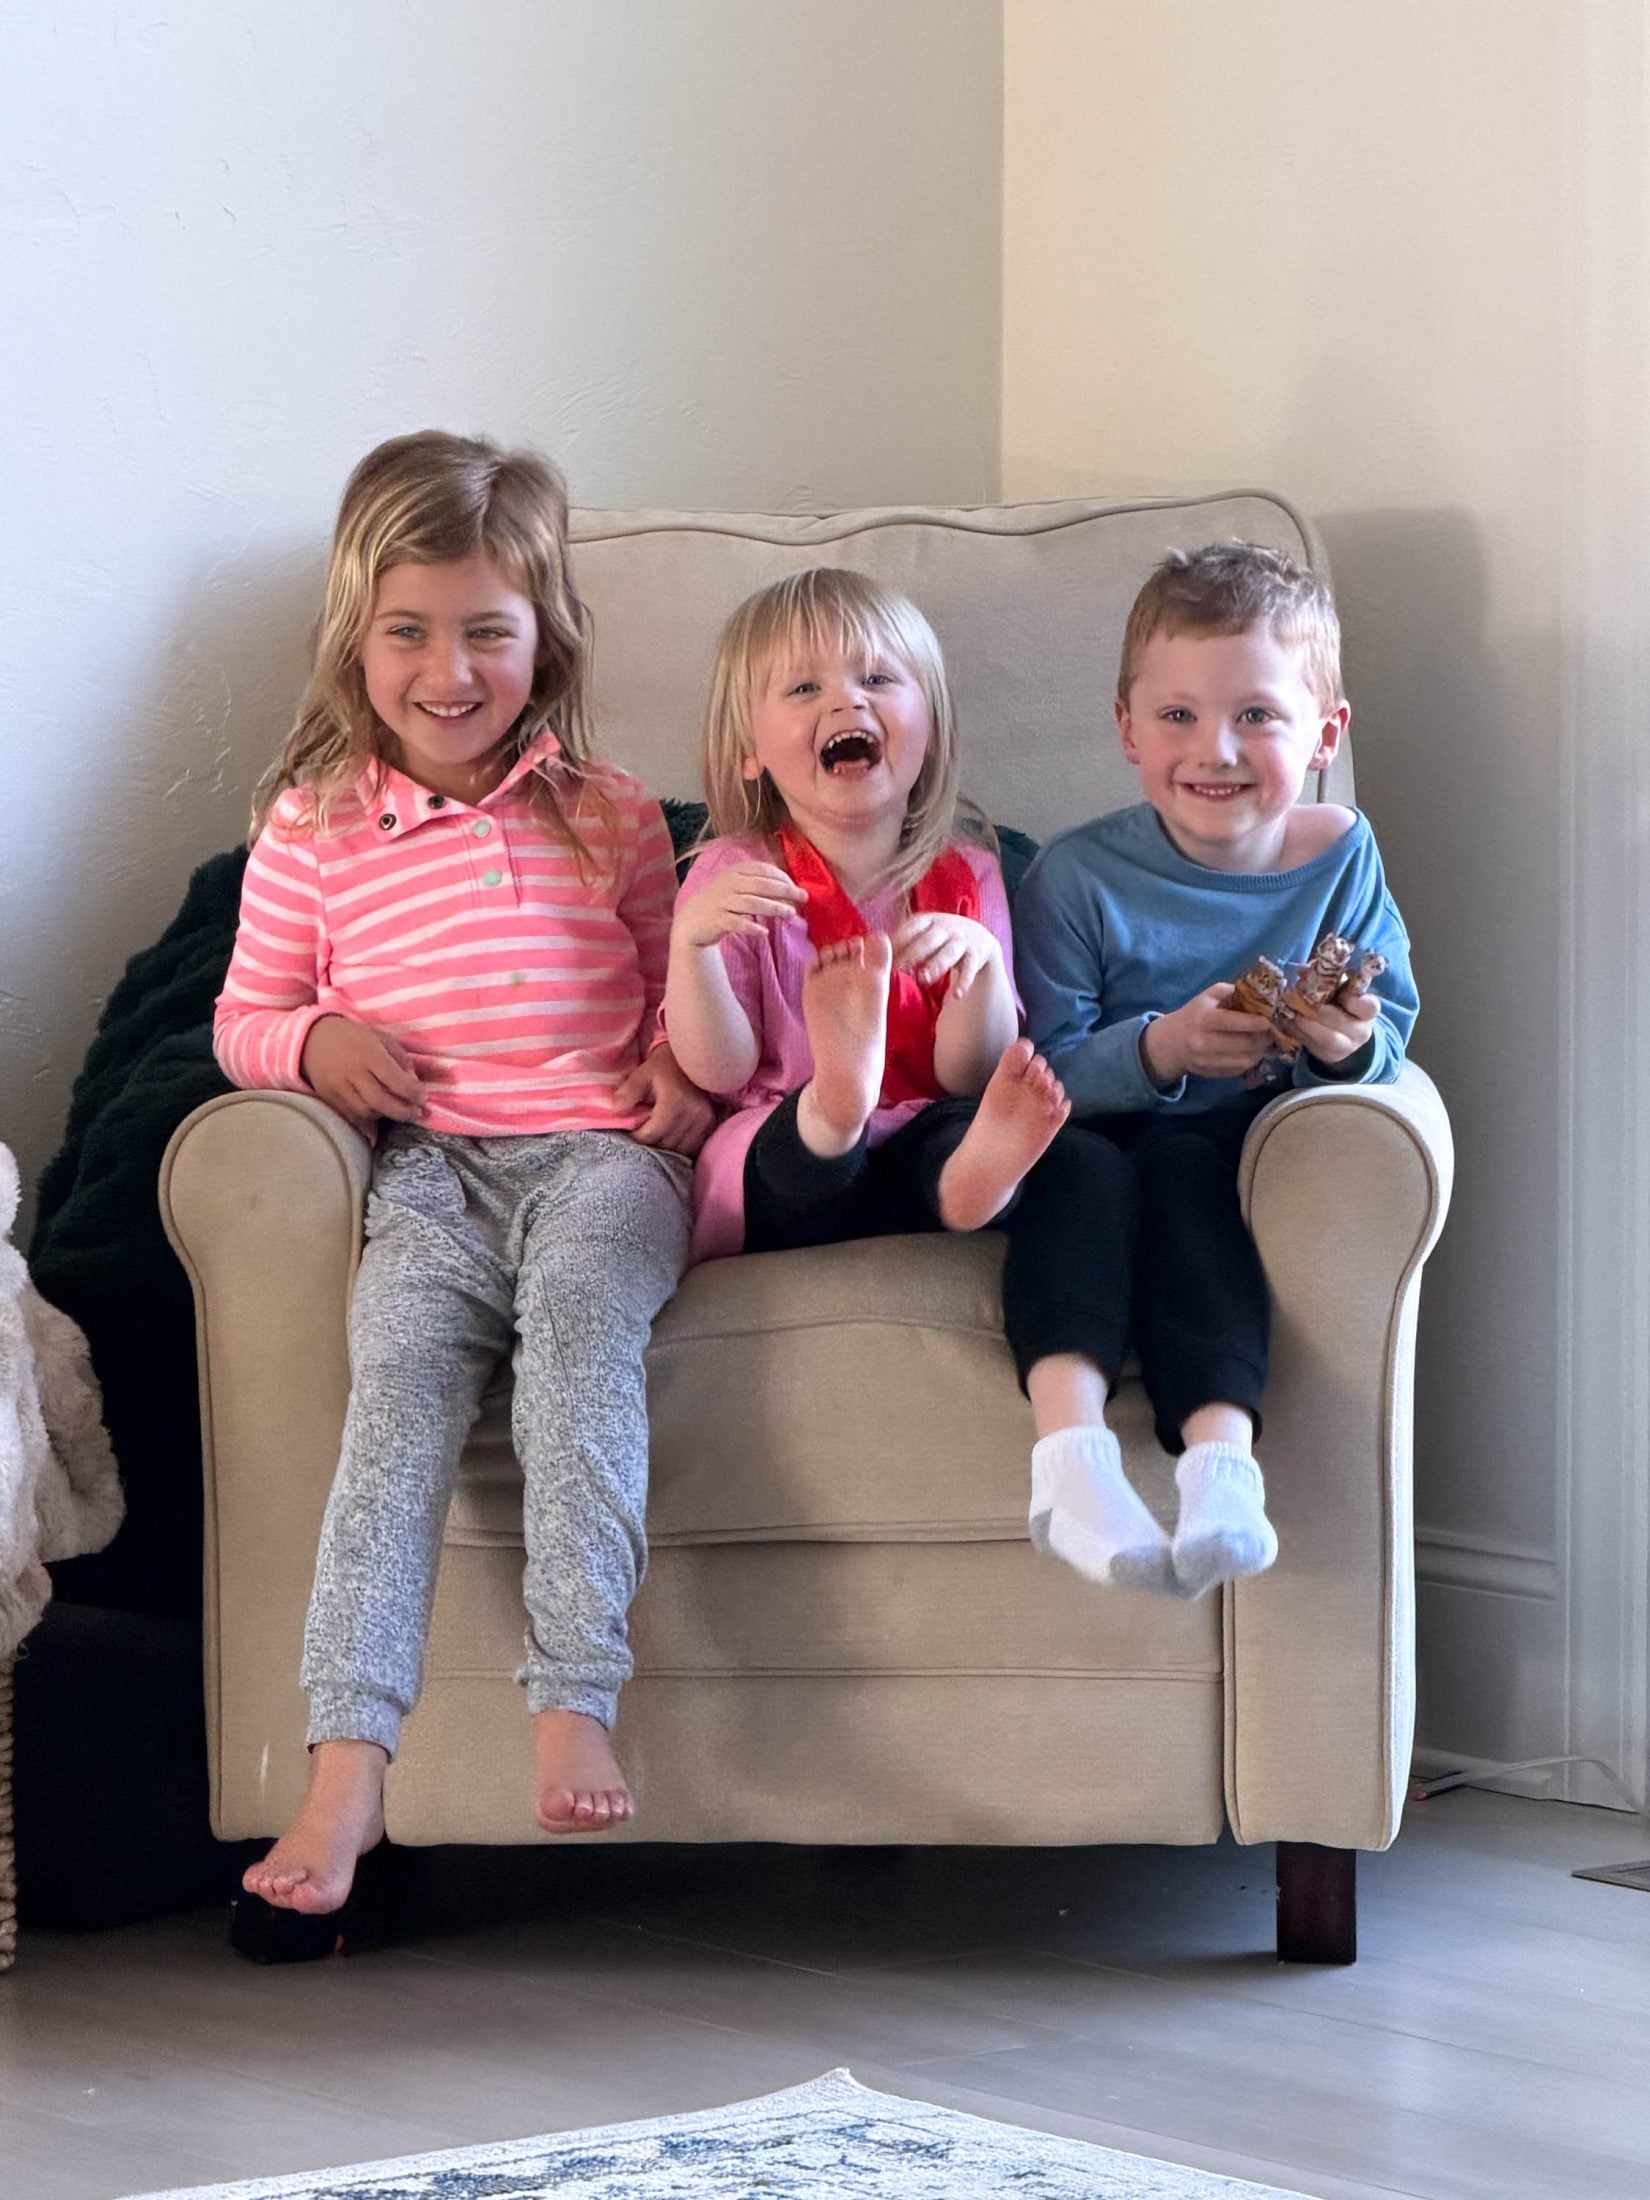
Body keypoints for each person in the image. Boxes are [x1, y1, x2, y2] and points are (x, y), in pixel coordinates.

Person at [214, 429, 711, 1916]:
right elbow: (241, 1017)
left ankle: (575, 1690)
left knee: (578, 1332)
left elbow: (682, 1000)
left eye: (486, 631)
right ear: (355, 641)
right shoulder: (312, 829)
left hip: (602, 1164)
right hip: (428, 1179)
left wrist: (682, 1073)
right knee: (393, 1404)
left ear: (544, 636)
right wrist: (313, 1042)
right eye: (409, 633)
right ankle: (343, 1770)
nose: (449, 670)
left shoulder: (615, 814)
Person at [664, 567, 1170, 1595]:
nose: (845, 703)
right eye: (803, 689)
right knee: (795, 1140)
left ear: (926, 730)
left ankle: (970, 1191)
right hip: (784, 1158)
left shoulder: (968, 872)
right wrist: (693, 952)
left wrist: (980, 972)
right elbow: (716, 1069)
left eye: (877, 680)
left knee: (1066, 1157)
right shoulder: (732, 875)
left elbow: (969, 1072)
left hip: (922, 1132)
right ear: (751, 749)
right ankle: (837, 1103)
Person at [1013, 541, 1418, 1597]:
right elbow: (1039, 1072)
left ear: (1324, 735)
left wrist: (1346, 1044)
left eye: (1257, 715)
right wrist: (1161, 1048)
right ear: (1127, 728)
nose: (1216, 749)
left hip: (1244, 1140)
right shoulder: (1075, 877)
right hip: (1103, 1142)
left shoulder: (1343, 857)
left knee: (1195, 1178)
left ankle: (1222, 1472)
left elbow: (1392, 1027)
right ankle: (1078, 1465)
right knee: (1121, 1176)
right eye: (1179, 714)